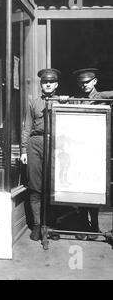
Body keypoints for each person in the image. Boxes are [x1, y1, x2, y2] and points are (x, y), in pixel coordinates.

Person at [20, 68, 63, 241]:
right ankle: (37, 225)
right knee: (35, 186)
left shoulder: (62, 102)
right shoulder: (34, 103)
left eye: (51, 82)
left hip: (56, 145)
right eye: (45, 82)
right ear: (41, 84)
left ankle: (51, 224)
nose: (48, 84)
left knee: (52, 186)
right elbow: (27, 127)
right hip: (35, 144)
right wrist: (23, 149)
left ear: (56, 84)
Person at [72, 68, 113, 240]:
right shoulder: (78, 100)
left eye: (87, 82)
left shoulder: (102, 98)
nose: (84, 86)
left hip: (96, 149)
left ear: (95, 81)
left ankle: (94, 226)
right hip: (80, 150)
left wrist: (101, 96)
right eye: (81, 83)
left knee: (94, 188)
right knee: (81, 188)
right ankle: (83, 226)